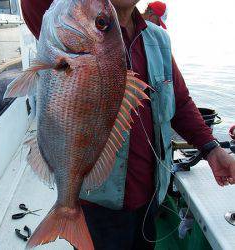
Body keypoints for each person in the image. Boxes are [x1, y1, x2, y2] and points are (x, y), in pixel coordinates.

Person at [21, 1, 235, 249]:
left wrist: (212, 149)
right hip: (99, 203)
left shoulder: (158, 39)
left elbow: (181, 102)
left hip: (150, 196)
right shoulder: (71, 23)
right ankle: (66, 210)